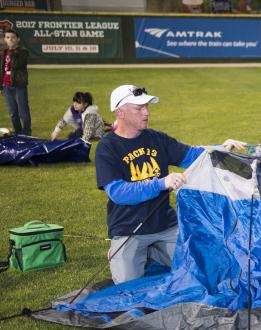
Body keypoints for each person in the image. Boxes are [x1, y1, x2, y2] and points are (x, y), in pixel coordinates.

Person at [96, 84, 247, 284]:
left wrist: (222, 148)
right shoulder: (108, 147)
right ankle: (126, 251)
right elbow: (118, 193)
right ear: (120, 112)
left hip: (165, 226)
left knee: (203, 269)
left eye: (147, 107)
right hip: (128, 229)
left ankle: (151, 253)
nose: (146, 113)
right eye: (139, 108)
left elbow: (194, 156)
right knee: (129, 287)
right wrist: (160, 183)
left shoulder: (157, 139)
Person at [1, 29, 31, 136]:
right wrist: (1, 86)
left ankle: (27, 133)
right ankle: (18, 133)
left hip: (18, 85)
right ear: (5, 39)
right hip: (6, 86)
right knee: (13, 113)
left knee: (23, 112)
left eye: (13, 37)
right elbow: (2, 70)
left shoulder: (23, 51)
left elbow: (17, 65)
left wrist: (13, 50)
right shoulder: (4, 52)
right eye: (8, 37)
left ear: (18, 39)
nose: (10, 40)